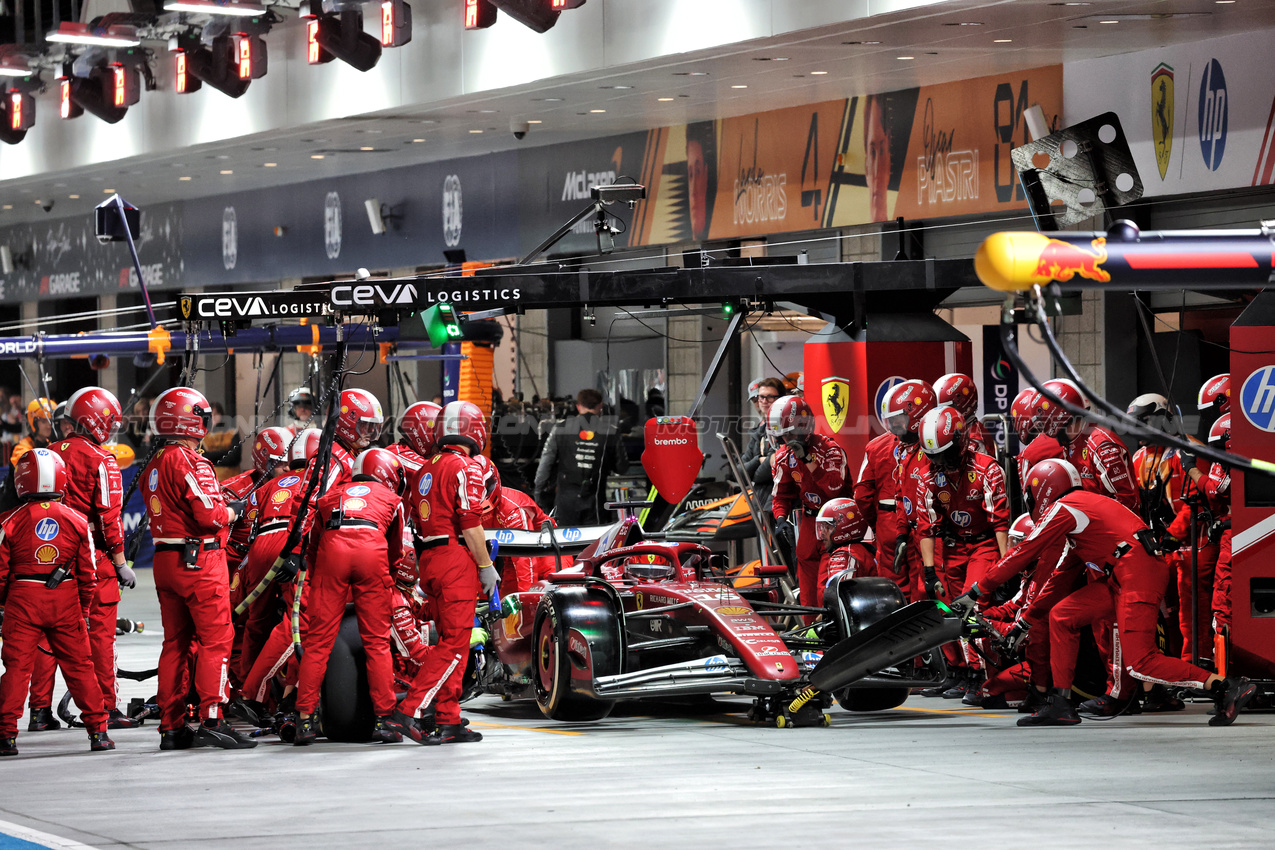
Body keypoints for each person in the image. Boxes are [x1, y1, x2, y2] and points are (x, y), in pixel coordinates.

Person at [955, 458, 1256, 727]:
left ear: (1043, 490)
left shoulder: (1065, 508)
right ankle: (1060, 704)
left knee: (1141, 662)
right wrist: (1025, 622)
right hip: (1126, 575)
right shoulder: (1082, 509)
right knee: (1062, 615)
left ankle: (1224, 686)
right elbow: (1060, 577)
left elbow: (1023, 552)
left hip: (1135, 575)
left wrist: (977, 590)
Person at [140, 386, 254, 750]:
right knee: (217, 640)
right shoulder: (190, 461)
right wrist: (233, 511)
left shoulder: (153, 464)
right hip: (199, 561)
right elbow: (209, 516)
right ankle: (213, 718)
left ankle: (171, 727)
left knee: (175, 643)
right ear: (191, 420)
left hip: (164, 560)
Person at [0, 449, 114, 756]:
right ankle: (98, 733)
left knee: (16, 670)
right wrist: (85, 608)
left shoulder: (7, 521)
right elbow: (89, 572)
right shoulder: (77, 520)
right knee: (80, 668)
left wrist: (3, 605)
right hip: (65, 599)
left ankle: (6, 736)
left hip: (22, 598)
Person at [294, 447, 408, 745]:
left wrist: (325, 582)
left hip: (332, 549)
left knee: (317, 642)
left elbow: (313, 546)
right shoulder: (392, 499)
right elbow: (397, 553)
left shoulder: (331, 495)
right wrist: (387, 582)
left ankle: (305, 720)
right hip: (372, 550)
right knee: (377, 643)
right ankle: (384, 719)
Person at [396, 400, 493, 745]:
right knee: (454, 645)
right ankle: (409, 710)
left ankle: (448, 718)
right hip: (455, 558)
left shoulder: (424, 468)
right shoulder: (466, 466)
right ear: (474, 429)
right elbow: (470, 523)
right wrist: (486, 566)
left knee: (454, 642)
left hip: (428, 560)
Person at [52, 387, 137, 730]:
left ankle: (37, 709)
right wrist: (120, 563)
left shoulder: (49, 452)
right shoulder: (103, 460)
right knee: (101, 635)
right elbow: (109, 518)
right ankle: (105, 709)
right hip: (92, 557)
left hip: (52, 557)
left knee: (47, 638)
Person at [914, 407, 1009, 699]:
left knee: (972, 607)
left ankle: (984, 678)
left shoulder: (988, 468)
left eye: (945, 453)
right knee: (951, 610)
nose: (940, 462)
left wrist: (1006, 569)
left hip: (984, 544)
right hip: (953, 546)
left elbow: (1000, 521)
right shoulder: (927, 476)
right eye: (934, 456)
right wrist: (930, 572)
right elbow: (926, 526)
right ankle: (966, 673)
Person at [770, 395, 849, 610]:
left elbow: (835, 488)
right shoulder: (782, 457)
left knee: (827, 590)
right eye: (783, 435)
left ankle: (833, 637)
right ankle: (811, 640)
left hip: (837, 524)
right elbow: (781, 495)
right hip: (808, 523)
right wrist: (780, 519)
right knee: (807, 594)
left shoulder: (831, 450)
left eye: (790, 433)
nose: (786, 440)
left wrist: (808, 460)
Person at [1034, 379, 1137, 512]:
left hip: (1114, 528)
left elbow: (1126, 503)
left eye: (1043, 413)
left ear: (1058, 411)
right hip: (1092, 524)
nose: (1041, 420)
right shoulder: (1070, 443)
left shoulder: (1101, 445)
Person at [534, 388, 629, 525]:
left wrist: (538, 494)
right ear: (600, 406)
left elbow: (545, 464)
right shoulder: (611, 431)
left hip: (565, 501)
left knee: (564, 542)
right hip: (595, 501)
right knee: (595, 544)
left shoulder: (560, 428)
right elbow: (622, 467)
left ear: (578, 406)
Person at [886, 380, 939, 603]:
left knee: (941, 603)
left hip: (937, 540)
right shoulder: (903, 450)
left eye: (900, 417)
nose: (895, 424)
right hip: (915, 539)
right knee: (921, 602)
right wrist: (901, 534)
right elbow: (900, 495)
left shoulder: (935, 451)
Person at [813, 498, 873, 607]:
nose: (822, 534)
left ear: (844, 525)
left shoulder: (843, 555)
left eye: (827, 527)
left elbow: (839, 601)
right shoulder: (863, 549)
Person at [741, 378, 785, 510]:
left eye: (770, 397)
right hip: (759, 505)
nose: (764, 402)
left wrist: (754, 472)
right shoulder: (759, 432)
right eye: (761, 397)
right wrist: (759, 460)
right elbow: (740, 472)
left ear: (781, 399)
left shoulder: (787, 428)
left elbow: (768, 473)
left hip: (781, 504)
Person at [932, 373, 991, 455]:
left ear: (962, 403)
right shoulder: (965, 429)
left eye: (946, 409)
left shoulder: (975, 440)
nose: (940, 415)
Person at [9, 397, 56, 468]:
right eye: (43, 421)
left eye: (51, 421)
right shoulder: (21, 448)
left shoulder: (51, 444)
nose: (49, 426)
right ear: (33, 422)